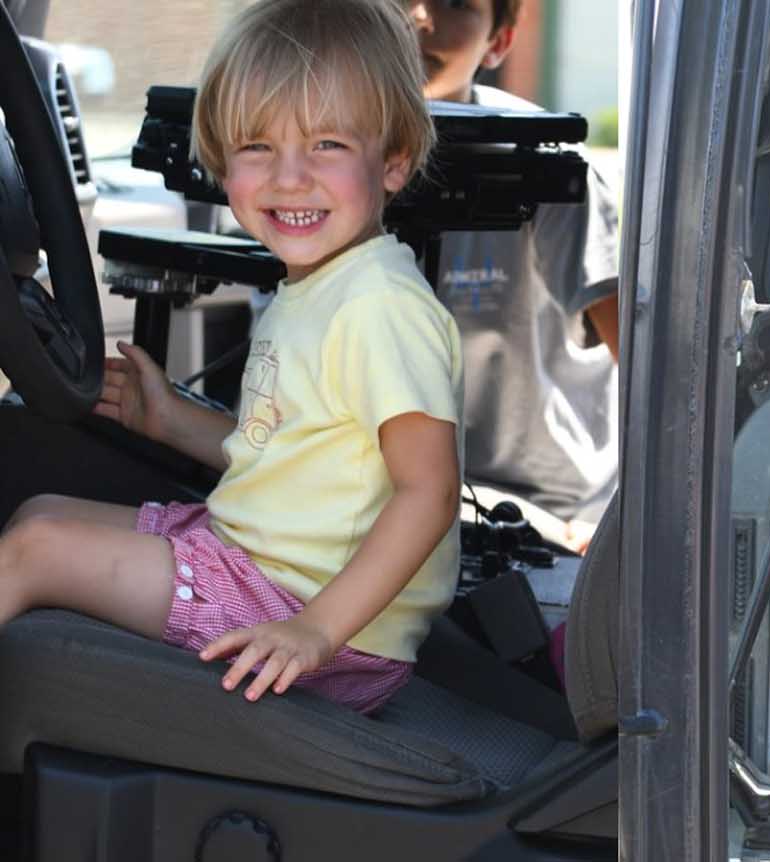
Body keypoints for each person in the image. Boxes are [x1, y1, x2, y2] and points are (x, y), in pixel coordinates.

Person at [0, 0, 464, 716]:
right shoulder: (321, 285)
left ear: (394, 162)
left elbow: (427, 492)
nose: (289, 178)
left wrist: (316, 629)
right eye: (257, 147)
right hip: (264, 566)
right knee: (38, 511)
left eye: (328, 146)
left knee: (35, 551)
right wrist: (169, 419)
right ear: (221, 160)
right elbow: (294, 463)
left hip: (316, 614)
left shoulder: (378, 305)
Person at [408, 0, 622, 549]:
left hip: (549, 517)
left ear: (499, 41)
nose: (418, 16)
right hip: (391, 499)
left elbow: (648, 367)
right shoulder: (310, 166)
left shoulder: (545, 167)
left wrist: (616, 528)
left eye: (456, 3)